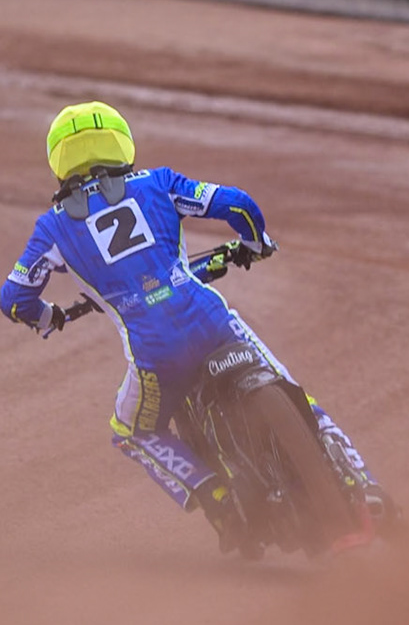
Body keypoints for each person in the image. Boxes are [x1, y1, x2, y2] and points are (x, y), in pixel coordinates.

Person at [3, 101, 387, 550]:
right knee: (292, 388)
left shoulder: (52, 227)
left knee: (132, 431)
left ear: (58, 160)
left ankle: (217, 496)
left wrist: (49, 317)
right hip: (213, 323)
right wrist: (254, 242)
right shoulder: (159, 182)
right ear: (121, 142)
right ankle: (363, 481)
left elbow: (14, 299)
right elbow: (238, 204)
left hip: (156, 357)